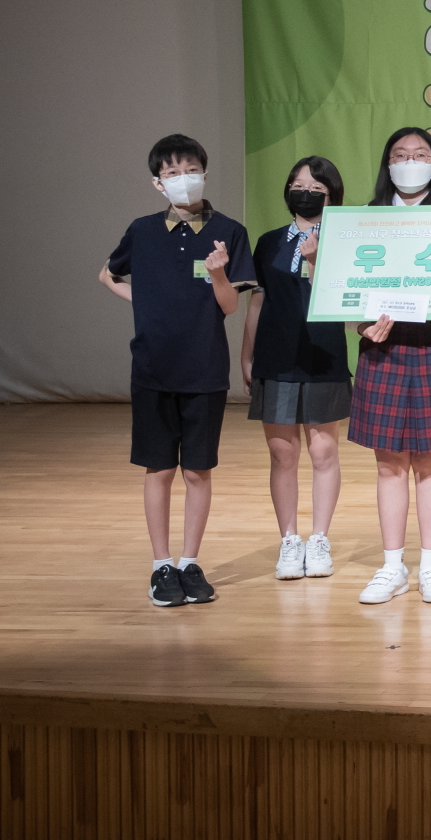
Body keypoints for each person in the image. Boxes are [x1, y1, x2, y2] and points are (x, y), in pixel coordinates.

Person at [100, 134, 256, 609]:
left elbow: (229, 306)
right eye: (171, 173)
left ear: (204, 173)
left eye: (190, 169)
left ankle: (190, 562)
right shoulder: (142, 231)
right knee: (159, 468)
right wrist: (144, 303)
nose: (182, 178)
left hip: (204, 368)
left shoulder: (229, 231)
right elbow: (107, 274)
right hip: (152, 366)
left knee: (198, 470)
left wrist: (218, 273)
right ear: (157, 183)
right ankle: (161, 565)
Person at [349, 128, 431, 606]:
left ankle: (430, 564)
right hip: (383, 349)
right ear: (387, 164)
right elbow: (347, 290)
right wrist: (362, 327)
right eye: (400, 155)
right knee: (388, 462)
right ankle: (392, 566)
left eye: (420, 155)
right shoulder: (365, 220)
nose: (410, 162)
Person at [240, 156, 350, 582]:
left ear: (332, 196)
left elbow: (343, 297)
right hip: (276, 356)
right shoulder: (268, 242)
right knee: (282, 453)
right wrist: (246, 354)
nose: (306, 192)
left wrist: (318, 259)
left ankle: (319, 539)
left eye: (316, 187)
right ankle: (289, 540)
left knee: (323, 451)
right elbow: (258, 300)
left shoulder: (344, 240)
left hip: (323, 355)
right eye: (298, 185)